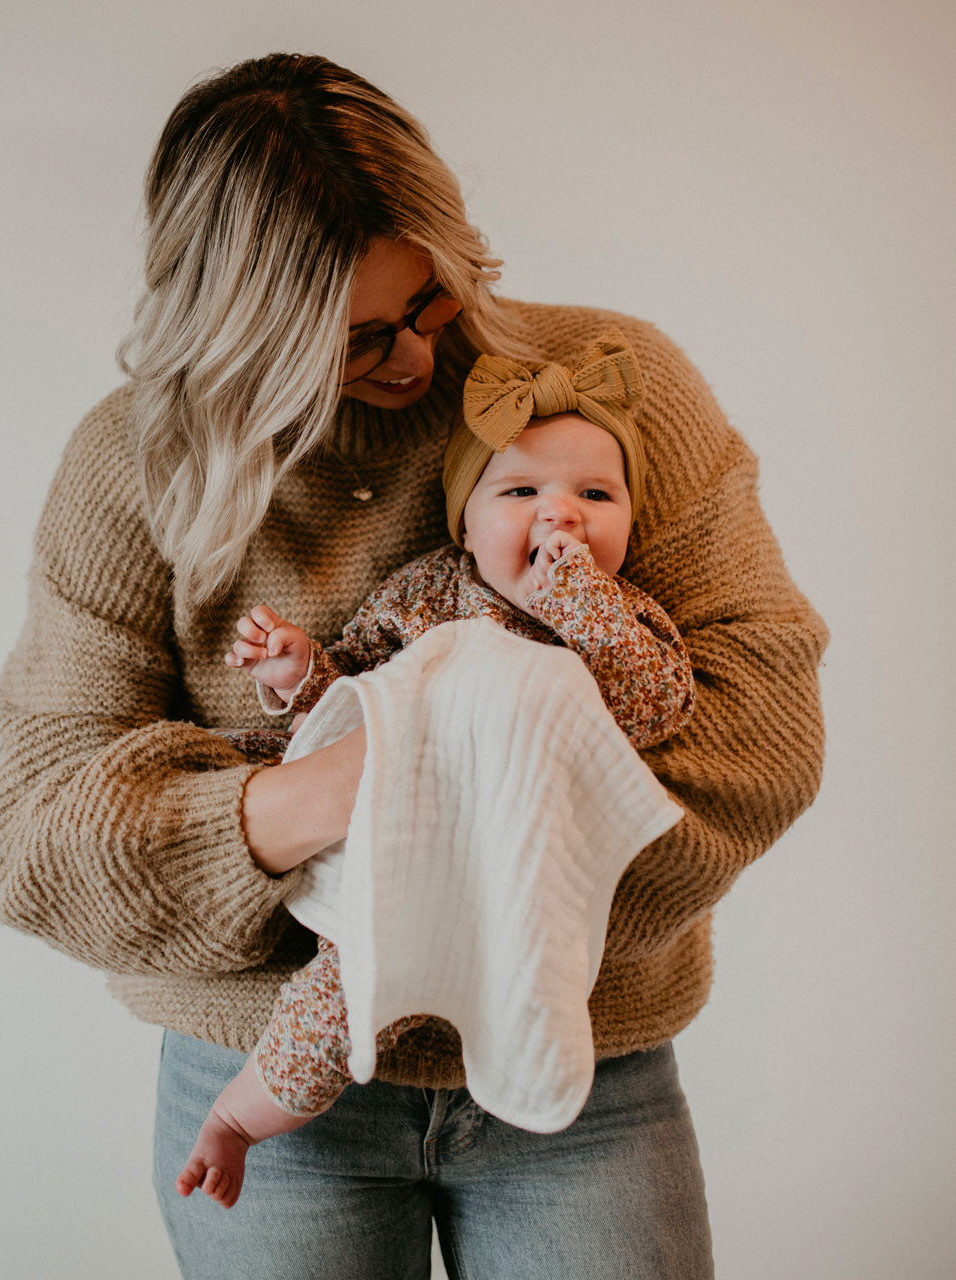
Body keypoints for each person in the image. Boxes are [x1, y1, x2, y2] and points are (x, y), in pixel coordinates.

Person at [0, 52, 828, 1279]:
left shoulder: (599, 396)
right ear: (234, 336)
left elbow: (759, 723)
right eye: (355, 336)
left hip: (578, 1063)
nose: (415, 362)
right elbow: (44, 840)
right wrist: (349, 786)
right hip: (269, 1078)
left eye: (432, 301)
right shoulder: (128, 472)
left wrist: (517, 917)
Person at [176, 332, 698, 1209]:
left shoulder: (623, 619)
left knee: (534, 987)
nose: (559, 515)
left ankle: (530, 1085)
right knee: (330, 1007)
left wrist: (579, 602)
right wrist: (301, 673)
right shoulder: (430, 593)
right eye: (523, 491)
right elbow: (361, 697)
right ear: (464, 519)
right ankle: (236, 1119)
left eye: (594, 496)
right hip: (405, 853)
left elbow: (652, 706)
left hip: (522, 871)